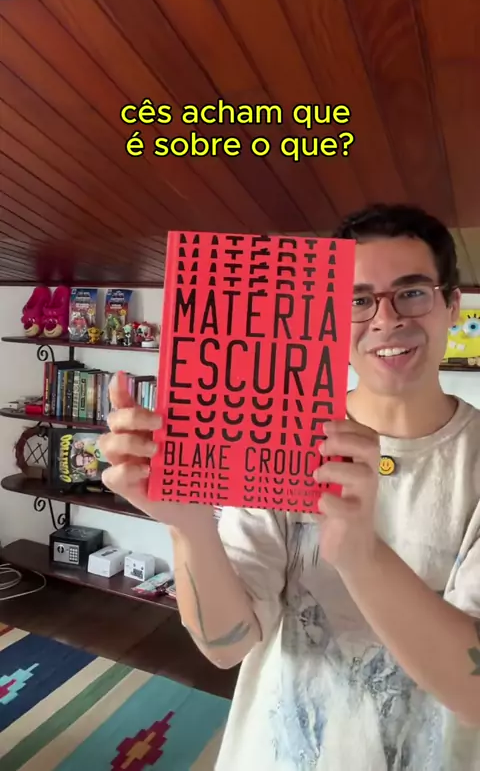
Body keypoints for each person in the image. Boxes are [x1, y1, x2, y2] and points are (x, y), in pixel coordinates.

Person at [99, 204, 480, 771]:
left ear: (452, 305)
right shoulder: (281, 437)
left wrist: (362, 556)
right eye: (357, 301)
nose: (385, 319)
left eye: (412, 293)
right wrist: (189, 525)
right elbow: (227, 645)